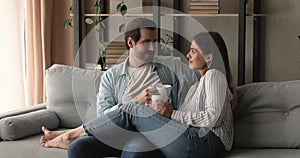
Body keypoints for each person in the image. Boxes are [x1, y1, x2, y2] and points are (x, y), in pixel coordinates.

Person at [40, 18, 180, 158]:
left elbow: (195, 80)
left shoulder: (169, 68)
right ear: (130, 42)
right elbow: (102, 116)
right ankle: (68, 136)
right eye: (146, 42)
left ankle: (68, 134)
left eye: (154, 41)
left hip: (146, 134)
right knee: (77, 148)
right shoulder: (111, 76)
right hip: (116, 133)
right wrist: (135, 102)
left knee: (134, 153)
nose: (152, 48)